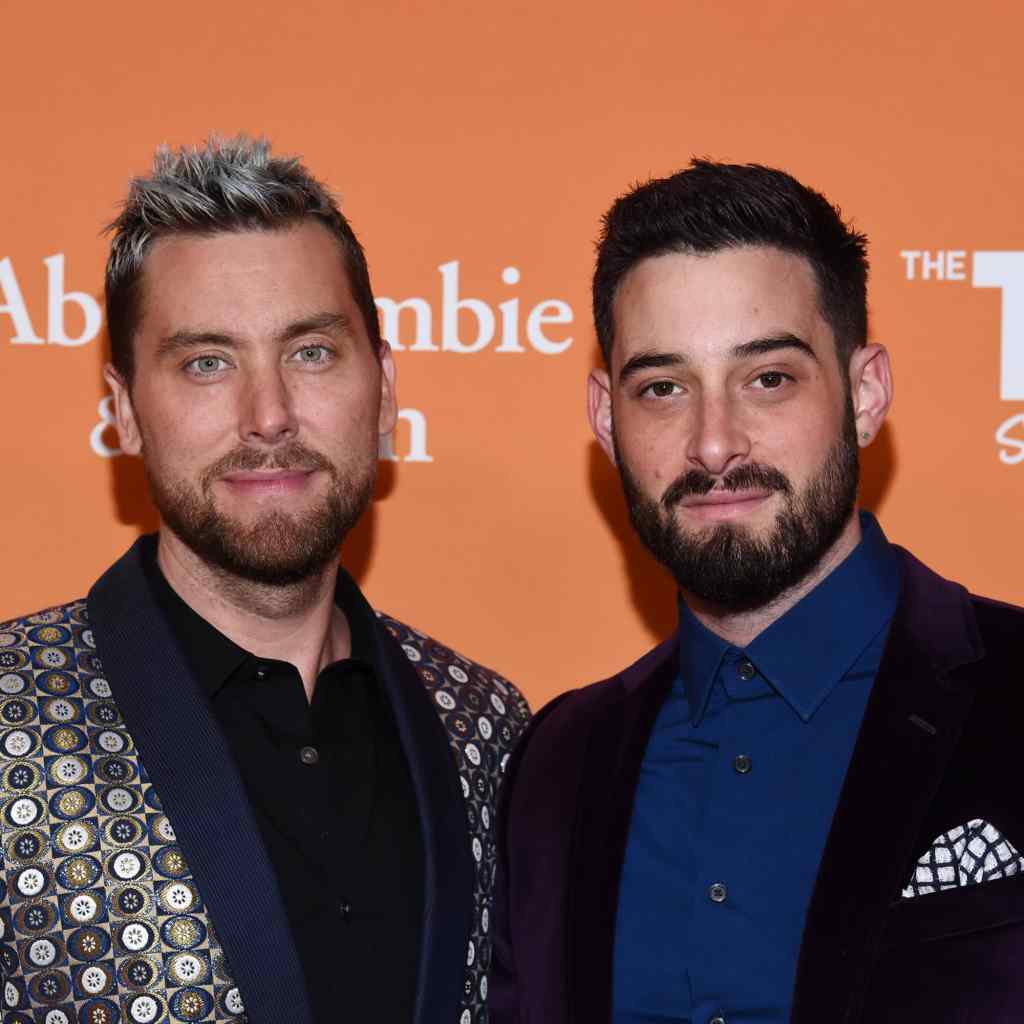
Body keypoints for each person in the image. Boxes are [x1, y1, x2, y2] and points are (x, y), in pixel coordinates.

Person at [0, 136, 529, 1024]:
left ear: (384, 387)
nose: (269, 415)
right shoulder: (11, 714)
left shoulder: (487, 729)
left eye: (311, 352)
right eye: (207, 363)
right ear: (125, 410)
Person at [490, 160, 1024, 1024]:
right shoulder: (556, 766)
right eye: (663, 388)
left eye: (768, 378)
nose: (714, 444)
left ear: (864, 394)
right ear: (606, 419)